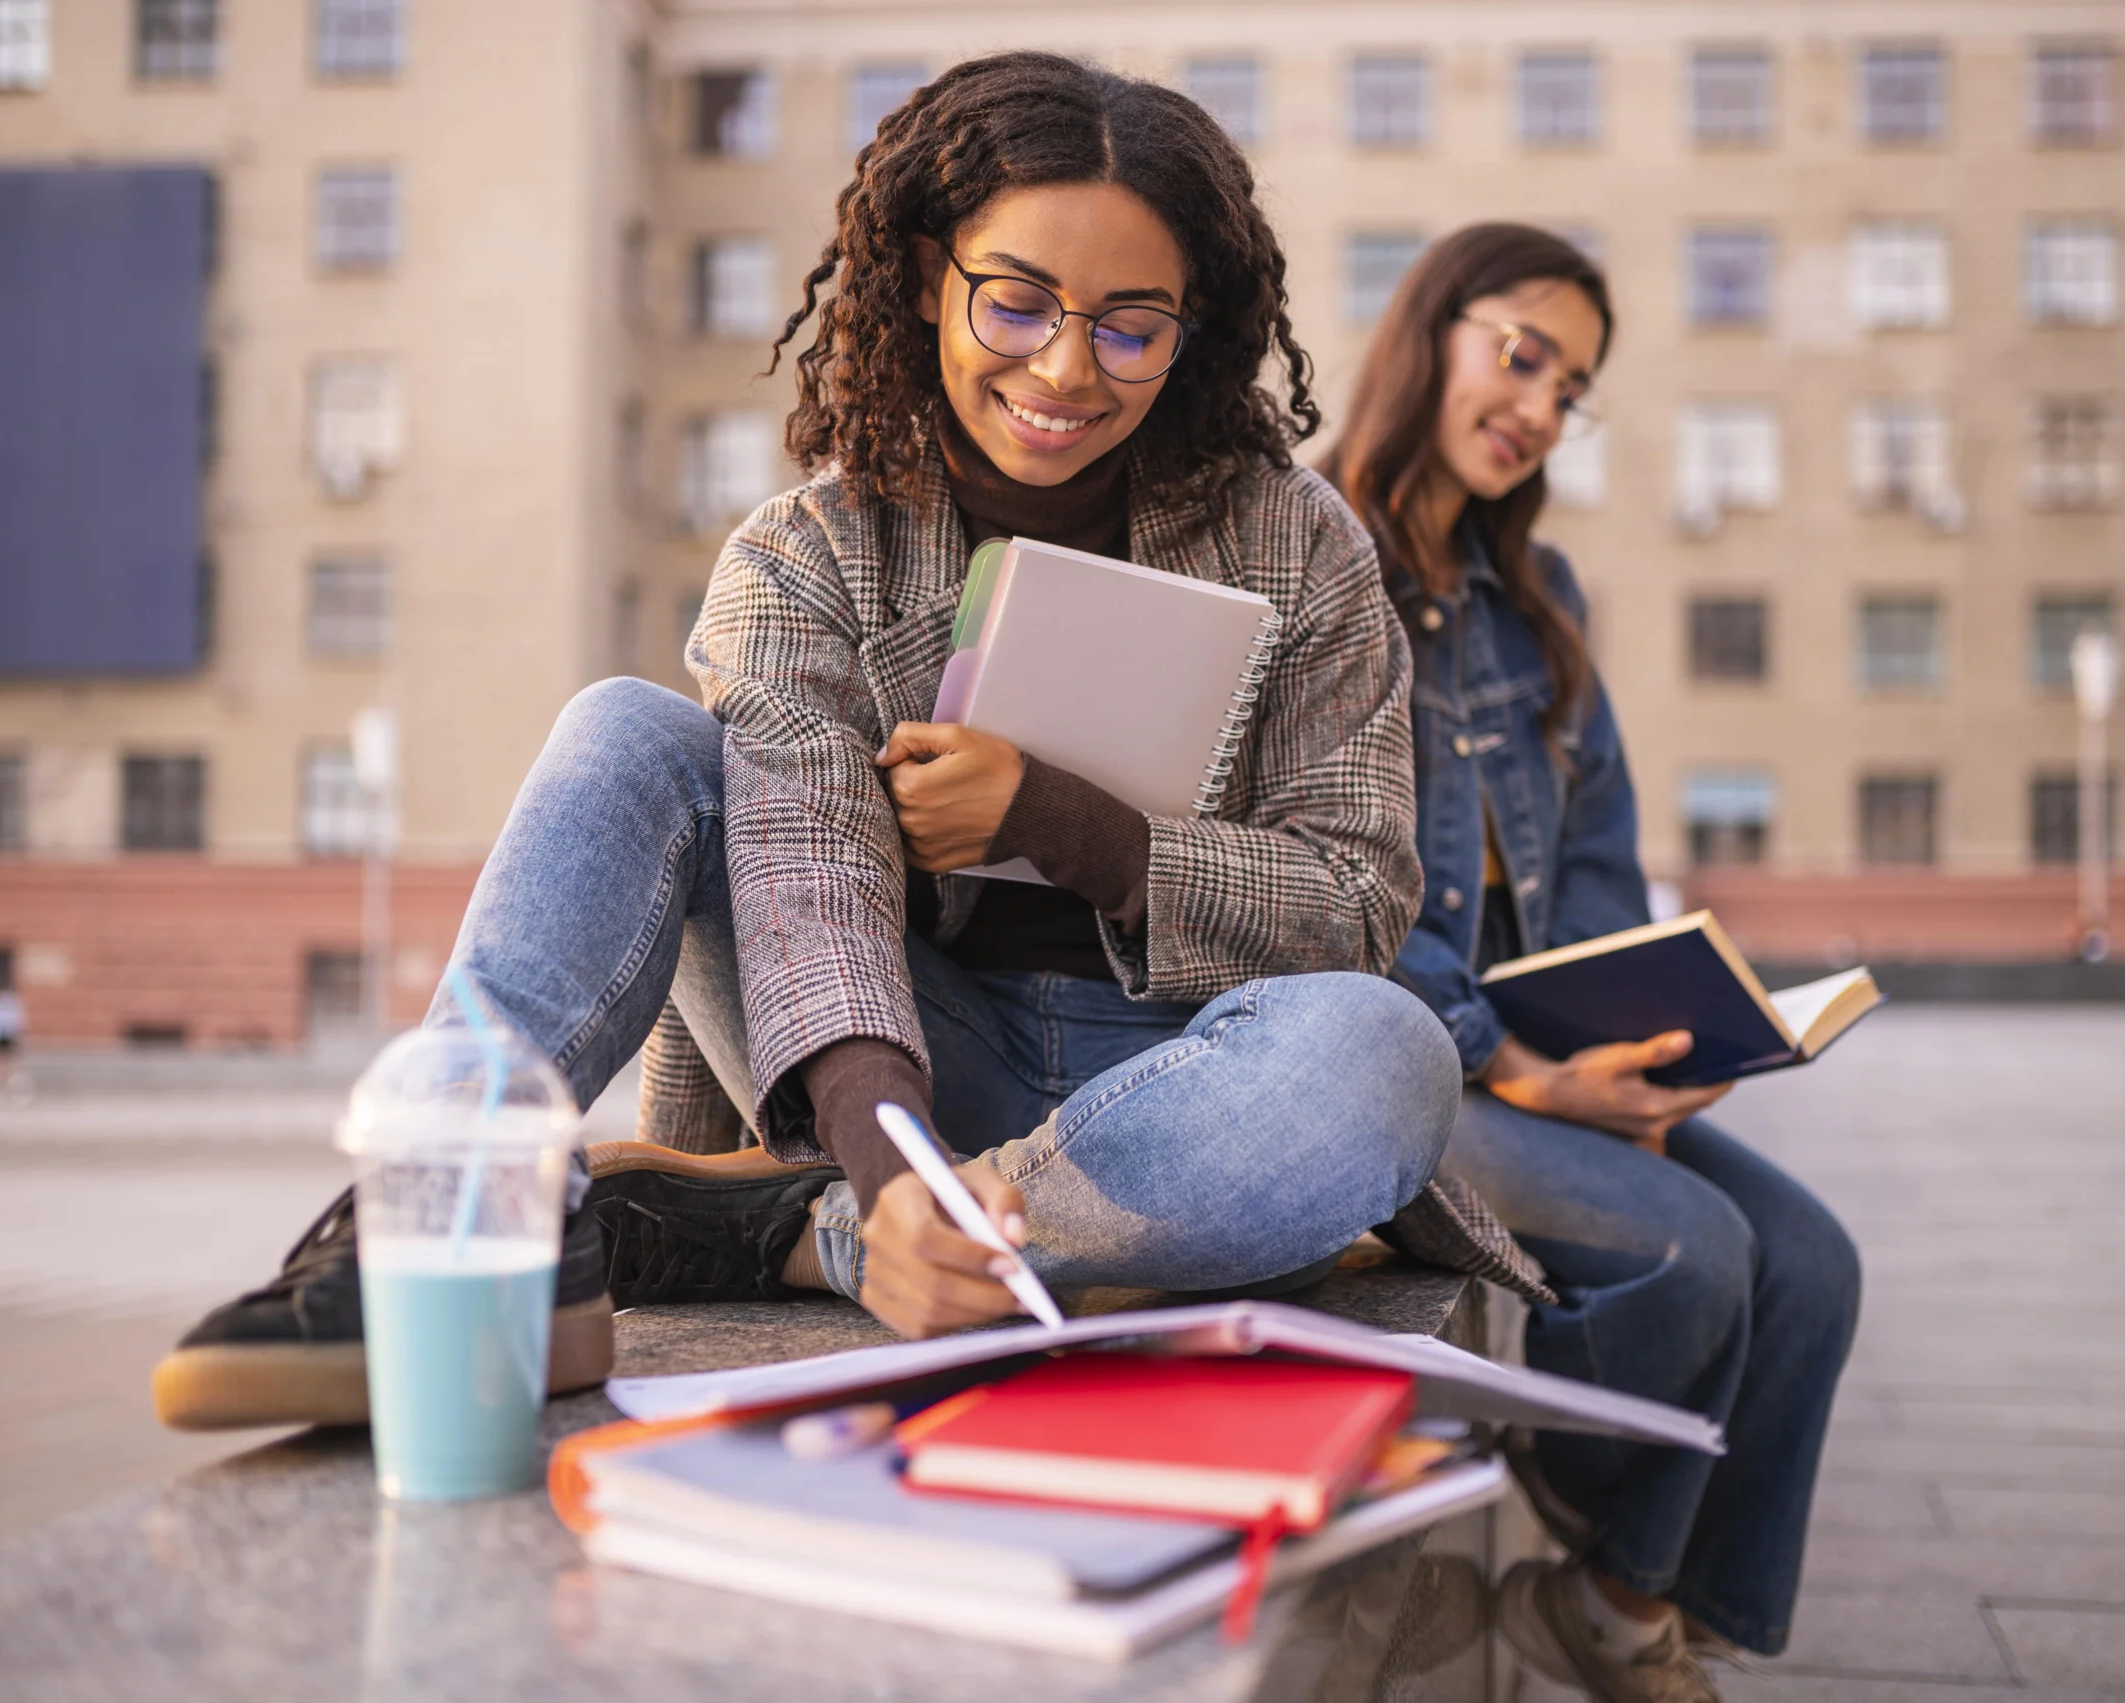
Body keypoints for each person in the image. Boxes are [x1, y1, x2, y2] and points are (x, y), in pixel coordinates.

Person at [155, 52, 1464, 1429]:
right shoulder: (806, 553)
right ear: (919, 278)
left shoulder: (1299, 541)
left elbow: (1356, 902)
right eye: (1016, 303)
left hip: (1196, 1083)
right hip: (898, 1051)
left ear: (1196, 328)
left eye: (1133, 326)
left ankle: (809, 1232)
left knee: (1386, 1051)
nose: (1069, 368)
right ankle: (449, 1216)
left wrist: (1059, 821)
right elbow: (803, 889)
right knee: (629, 732)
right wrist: (896, 1159)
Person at [1326, 225, 1862, 1699]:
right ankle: (1594, 1562)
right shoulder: (1311, 556)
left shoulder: (1539, 596)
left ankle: (1618, 1603)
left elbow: (1606, 873)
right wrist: (1521, 1066)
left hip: (1552, 1056)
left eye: (1572, 389)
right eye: (1522, 355)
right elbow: (1334, 884)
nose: (1541, 408)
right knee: (1699, 1255)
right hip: (1401, 1056)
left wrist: (1655, 1036)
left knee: (1813, 1261)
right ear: (1430, 331)